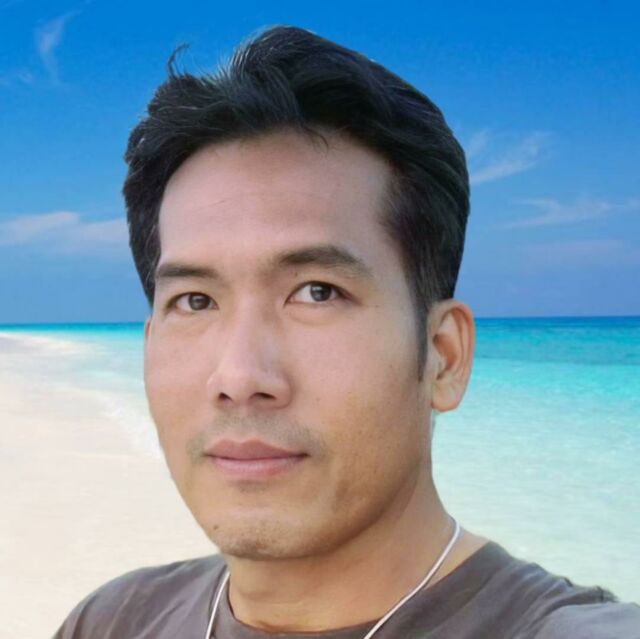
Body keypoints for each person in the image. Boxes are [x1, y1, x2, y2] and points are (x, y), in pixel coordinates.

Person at [53, 25, 639, 639]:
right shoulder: (113, 620)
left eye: (317, 292)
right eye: (196, 301)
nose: (240, 376)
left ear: (443, 356)